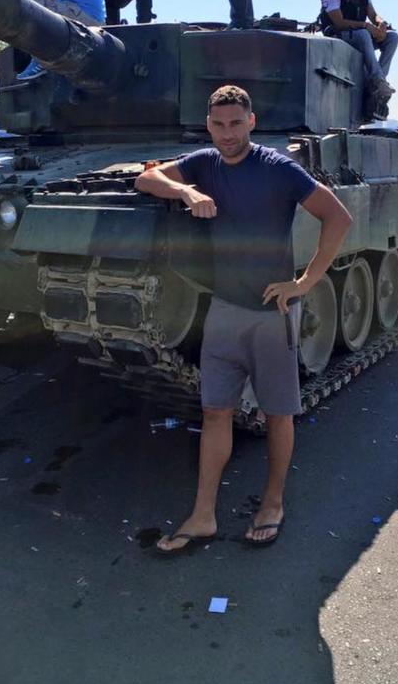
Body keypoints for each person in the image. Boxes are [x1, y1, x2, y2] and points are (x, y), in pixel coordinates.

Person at [135, 85, 352, 552]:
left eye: (236, 124)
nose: (227, 133)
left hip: (271, 314)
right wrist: (186, 191)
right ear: (208, 124)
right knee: (215, 411)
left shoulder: (278, 169)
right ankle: (203, 515)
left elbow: (338, 217)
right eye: (218, 124)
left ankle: (272, 502)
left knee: (278, 413)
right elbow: (146, 179)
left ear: (252, 122)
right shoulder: (204, 164)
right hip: (225, 312)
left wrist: (305, 283)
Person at [319, 0, 398, 101]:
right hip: (339, 36)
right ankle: (378, 80)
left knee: (392, 37)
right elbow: (339, 22)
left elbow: (374, 15)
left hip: (361, 37)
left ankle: (378, 81)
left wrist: (381, 25)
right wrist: (366, 26)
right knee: (363, 34)